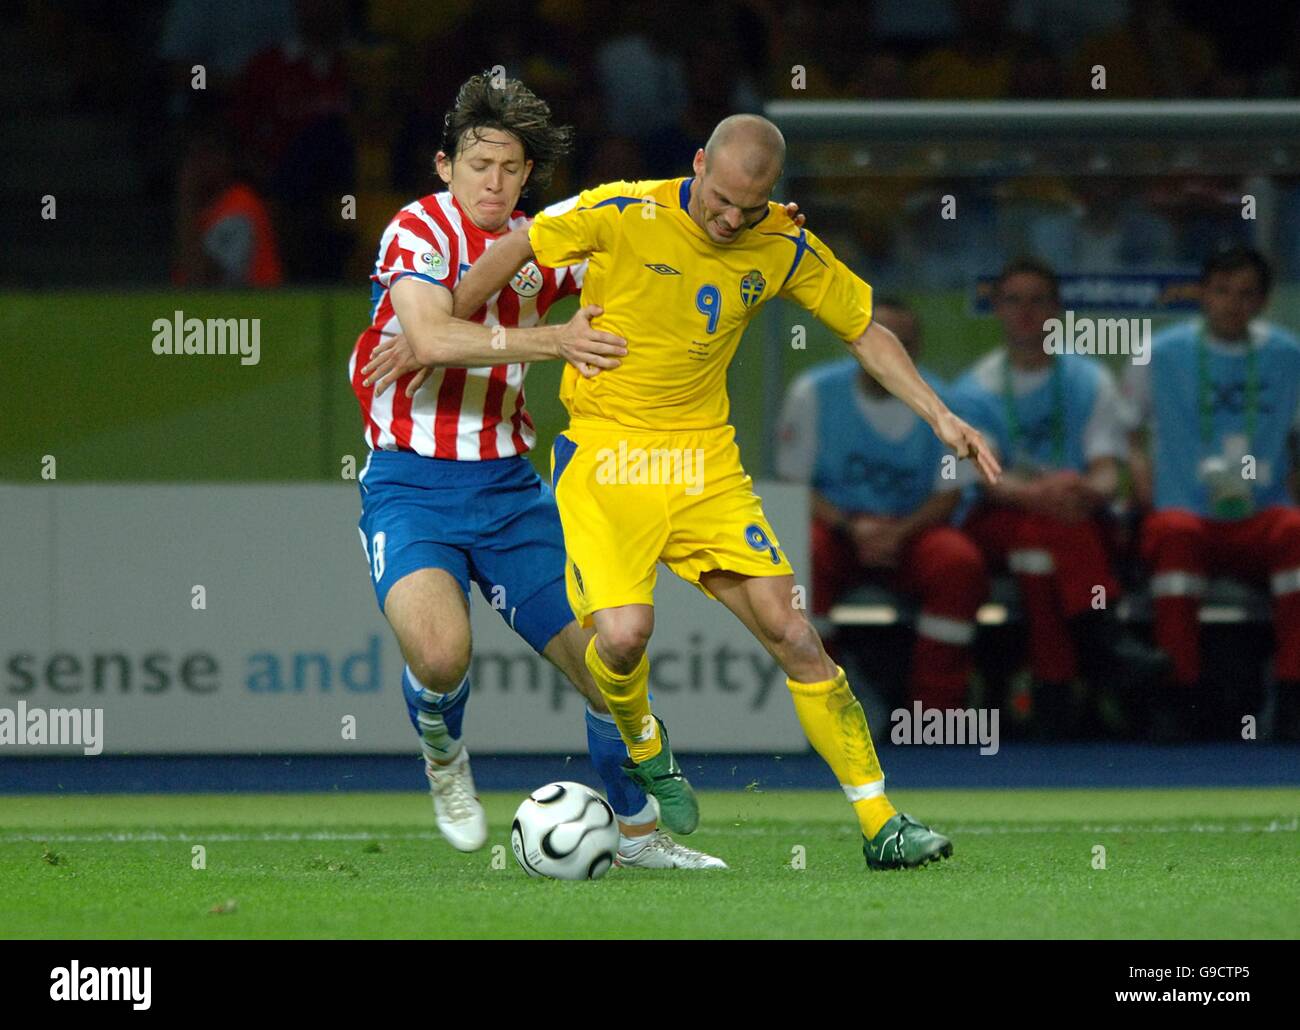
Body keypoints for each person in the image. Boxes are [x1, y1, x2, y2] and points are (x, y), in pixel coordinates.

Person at [442, 113, 1001, 870]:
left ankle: (881, 822)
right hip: (607, 456)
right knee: (621, 637)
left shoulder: (782, 242)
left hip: (704, 464)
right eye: (721, 200)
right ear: (698, 163)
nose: (731, 219)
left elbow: (864, 327)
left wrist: (939, 414)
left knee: (794, 632)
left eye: (751, 206)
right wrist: (444, 324)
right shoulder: (619, 210)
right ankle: (645, 740)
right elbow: (520, 241)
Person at [347, 73, 725, 869]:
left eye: (511, 168)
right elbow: (433, 335)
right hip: (411, 485)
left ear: (526, 176)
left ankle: (636, 835)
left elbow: (649, 241)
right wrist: (555, 342)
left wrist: (737, 218)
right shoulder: (417, 230)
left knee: (606, 665)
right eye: (479, 163)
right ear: (445, 166)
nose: (494, 181)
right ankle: (445, 756)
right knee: (442, 656)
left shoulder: (543, 241)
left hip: (512, 492)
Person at [950, 258, 1168, 739]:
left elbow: (1108, 476)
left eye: (1038, 300)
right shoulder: (974, 389)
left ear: (1057, 309)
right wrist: (1041, 494)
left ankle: (1055, 690)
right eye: (1014, 301)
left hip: (1067, 517)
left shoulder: (1089, 381)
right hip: (1001, 516)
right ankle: (1106, 648)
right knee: (1043, 533)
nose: (1026, 312)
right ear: (998, 311)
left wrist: (1081, 489)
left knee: (1039, 550)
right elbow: (985, 479)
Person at [776, 298, 988, 712]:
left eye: (904, 343)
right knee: (802, 556)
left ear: (917, 348)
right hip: (838, 529)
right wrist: (850, 529)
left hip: (912, 532)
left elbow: (949, 491)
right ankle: (826, 700)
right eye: (878, 341)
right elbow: (795, 484)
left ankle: (933, 708)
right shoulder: (814, 393)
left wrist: (898, 533)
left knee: (958, 564)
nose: (892, 354)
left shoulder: (943, 403)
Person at [1124, 245, 1300, 741]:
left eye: (1246, 294)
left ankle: (1292, 693)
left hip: (1261, 511)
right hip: (1186, 508)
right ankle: (1178, 697)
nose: (1231, 304)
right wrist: (1142, 482)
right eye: (1221, 291)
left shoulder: (1288, 355)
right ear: (1202, 294)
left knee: (1296, 532)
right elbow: (1128, 432)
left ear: (1263, 301)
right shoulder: (1158, 353)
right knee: (1173, 534)